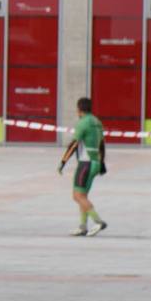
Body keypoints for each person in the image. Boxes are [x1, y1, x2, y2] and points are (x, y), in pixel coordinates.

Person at [58, 96, 107, 236]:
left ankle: (98, 221)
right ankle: (83, 226)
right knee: (83, 195)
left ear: (79, 109)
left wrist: (62, 162)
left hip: (85, 163)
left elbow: (74, 144)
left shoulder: (83, 123)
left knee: (77, 195)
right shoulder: (97, 122)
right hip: (96, 161)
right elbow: (102, 144)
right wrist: (102, 162)